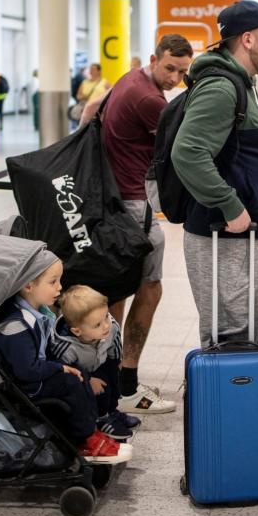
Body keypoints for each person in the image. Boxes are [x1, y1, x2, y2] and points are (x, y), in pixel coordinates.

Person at [170, 0, 258, 346]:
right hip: (225, 238)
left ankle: (231, 398)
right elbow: (188, 152)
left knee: (240, 331)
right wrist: (231, 206)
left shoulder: (240, 82)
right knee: (229, 335)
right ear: (248, 39)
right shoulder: (223, 87)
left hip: (240, 240)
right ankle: (223, 399)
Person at [95, 34, 194, 415]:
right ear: (155, 59)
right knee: (150, 289)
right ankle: (127, 382)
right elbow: (184, 150)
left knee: (120, 290)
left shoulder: (128, 79)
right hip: (136, 206)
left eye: (183, 72)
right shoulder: (150, 100)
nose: (175, 78)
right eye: (170, 68)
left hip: (115, 201)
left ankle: (111, 377)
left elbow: (91, 110)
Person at [0, 253, 133, 464]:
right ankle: (86, 439)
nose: (59, 287)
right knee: (73, 381)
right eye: (53, 282)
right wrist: (59, 369)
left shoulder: (36, 312)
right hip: (29, 385)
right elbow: (26, 370)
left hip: (37, 374)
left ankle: (92, 429)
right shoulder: (16, 325)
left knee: (80, 375)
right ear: (29, 286)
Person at [48, 286, 137, 440]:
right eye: (97, 324)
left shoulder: (110, 327)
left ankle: (112, 411)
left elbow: (114, 350)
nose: (106, 325)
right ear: (77, 331)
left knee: (112, 382)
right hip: (78, 374)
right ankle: (100, 420)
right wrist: (88, 380)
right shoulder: (65, 348)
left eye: (106, 316)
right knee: (101, 389)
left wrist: (115, 365)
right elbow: (64, 373)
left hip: (99, 361)